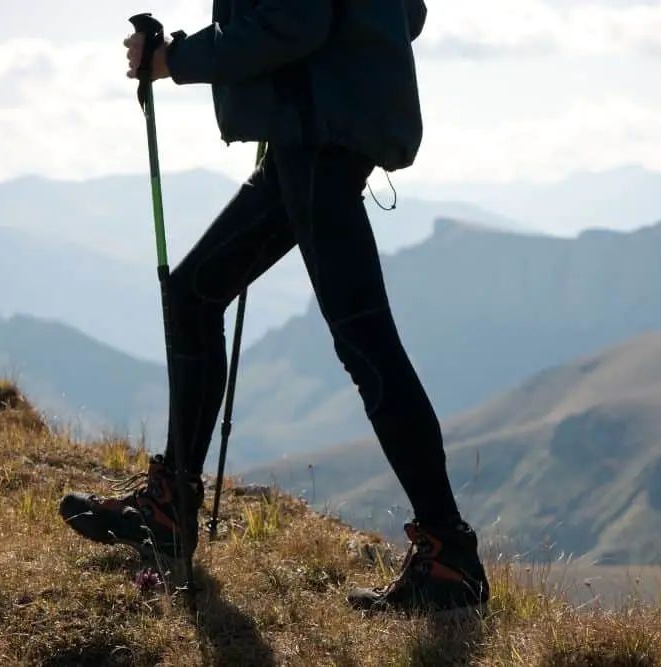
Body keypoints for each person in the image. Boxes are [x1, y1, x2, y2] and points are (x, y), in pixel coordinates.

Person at [59, 0, 490, 615]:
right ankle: (168, 506)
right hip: (313, 135)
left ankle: (448, 555)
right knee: (194, 296)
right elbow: (405, 13)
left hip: (313, 138)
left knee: (367, 345)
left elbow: (296, 23)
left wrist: (171, 60)